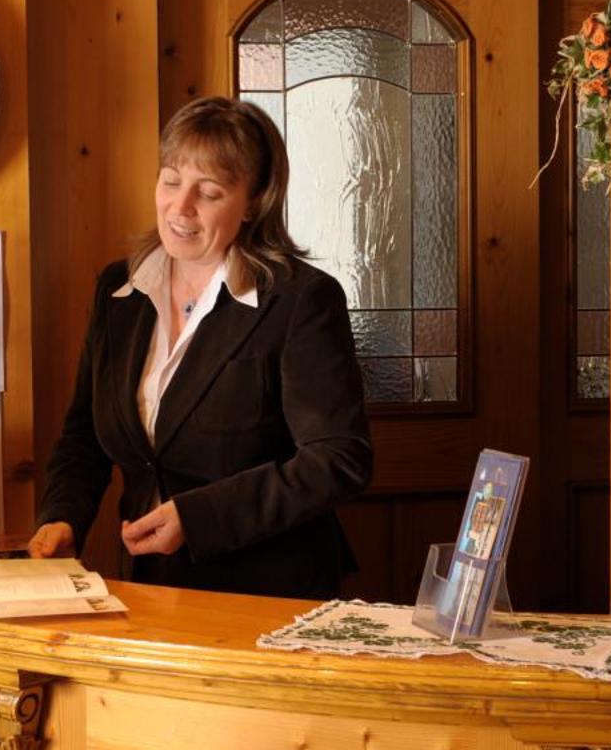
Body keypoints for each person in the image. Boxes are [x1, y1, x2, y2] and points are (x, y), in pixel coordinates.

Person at [29, 96, 372, 598]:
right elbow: (85, 435)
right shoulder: (117, 291)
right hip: (151, 588)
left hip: (271, 592)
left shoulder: (300, 300)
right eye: (171, 181)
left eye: (208, 192)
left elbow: (338, 459)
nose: (180, 207)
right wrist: (63, 517)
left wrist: (199, 517)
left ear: (254, 201)